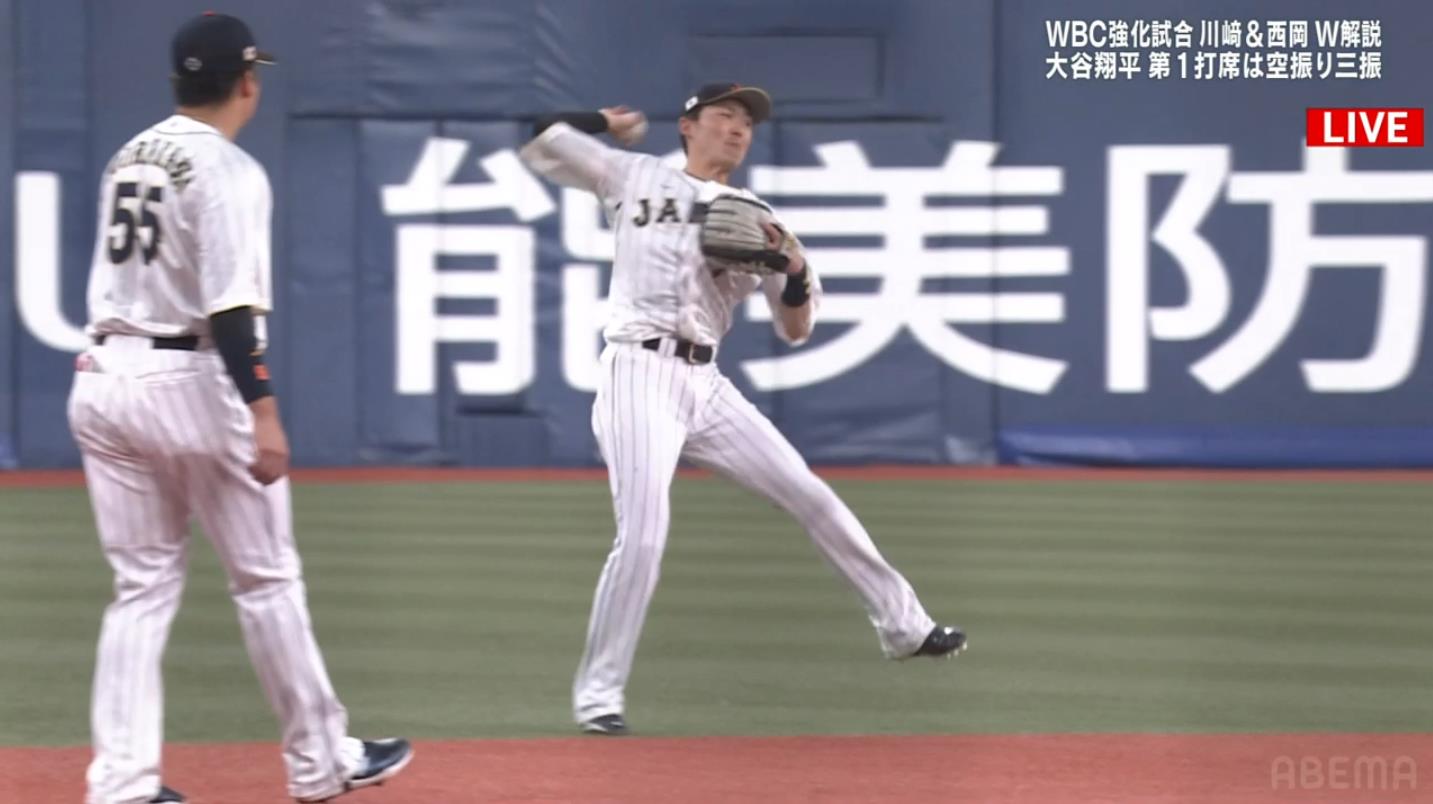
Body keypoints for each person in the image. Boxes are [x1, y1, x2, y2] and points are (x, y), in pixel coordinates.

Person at [519, 82, 969, 737]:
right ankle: (598, 698)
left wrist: (791, 269)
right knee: (642, 536)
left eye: (746, 123)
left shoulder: (759, 217)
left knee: (810, 496)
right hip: (638, 371)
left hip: (706, 382)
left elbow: (795, 328)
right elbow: (540, 132)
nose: (736, 129)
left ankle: (905, 626)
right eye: (723, 116)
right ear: (688, 126)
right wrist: (602, 121)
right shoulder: (633, 175)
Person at [66, 12, 412, 803]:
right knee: (265, 581)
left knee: (141, 588)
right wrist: (263, 408)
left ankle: (121, 784)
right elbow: (228, 312)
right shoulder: (228, 170)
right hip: (185, 381)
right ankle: (320, 764)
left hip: (103, 375)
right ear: (247, 82)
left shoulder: (129, 154)